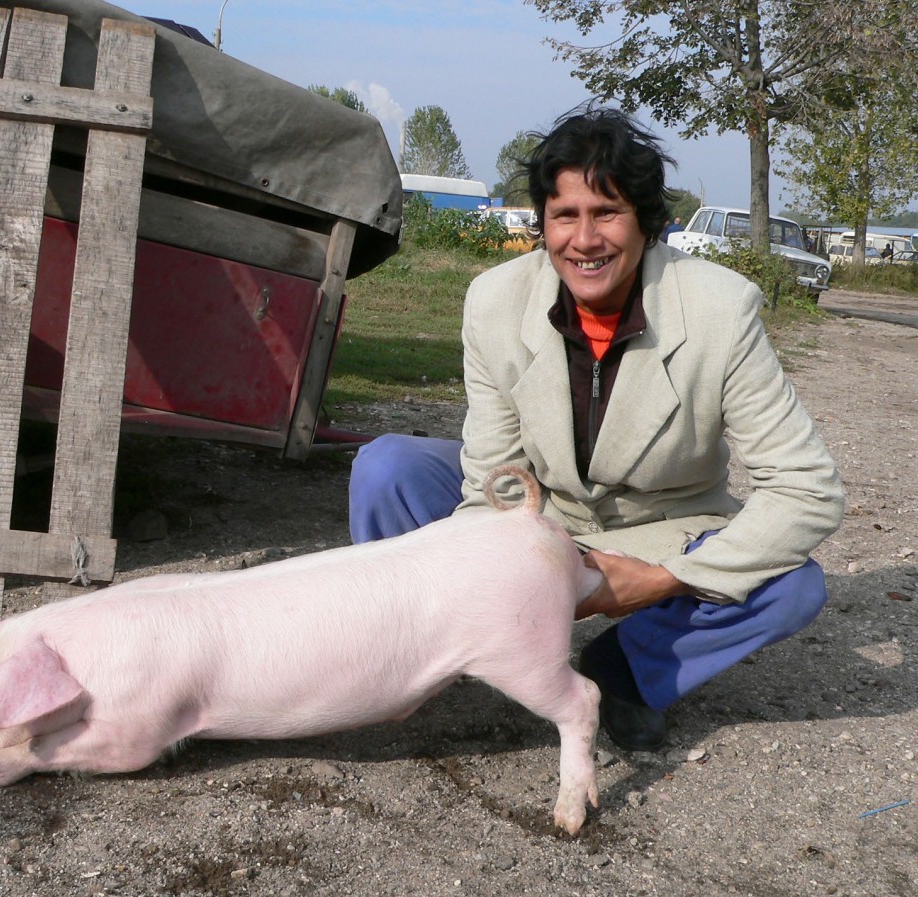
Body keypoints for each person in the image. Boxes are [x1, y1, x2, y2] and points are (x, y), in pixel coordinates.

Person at [348, 105, 844, 752]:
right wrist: (516, 571)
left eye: (606, 213)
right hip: (540, 505)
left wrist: (664, 579)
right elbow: (490, 481)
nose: (584, 240)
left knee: (793, 584)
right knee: (387, 468)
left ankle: (629, 670)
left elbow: (808, 489)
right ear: (543, 224)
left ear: (647, 223)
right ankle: (424, 658)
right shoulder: (494, 301)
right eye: (565, 215)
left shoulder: (723, 311)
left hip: (661, 528)